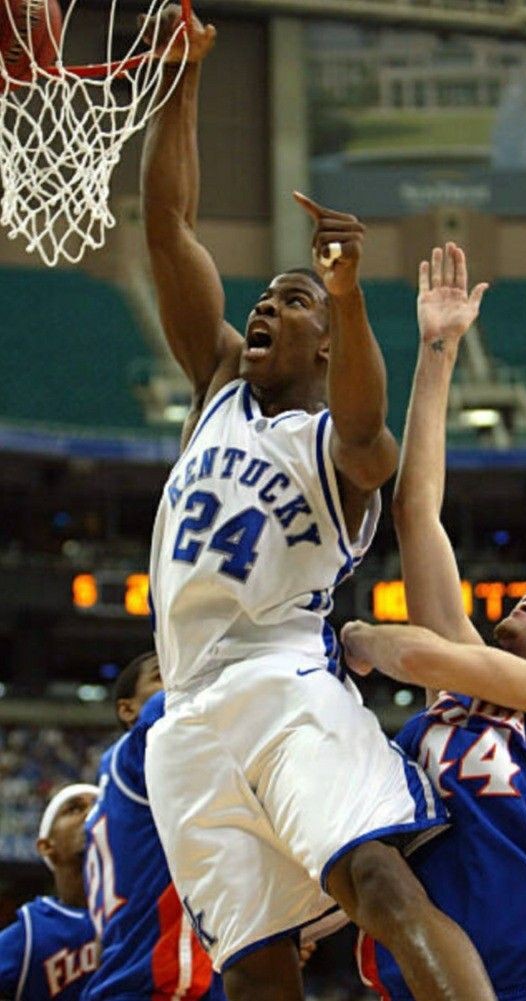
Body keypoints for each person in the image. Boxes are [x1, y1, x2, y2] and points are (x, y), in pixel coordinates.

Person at [140, 13, 496, 1001]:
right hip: (186, 713)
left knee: (378, 878)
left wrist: (345, 291)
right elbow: (167, 226)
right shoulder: (215, 380)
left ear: (329, 342)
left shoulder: (339, 448)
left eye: (289, 302)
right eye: (265, 296)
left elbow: (374, 424)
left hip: (281, 679)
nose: (264, 306)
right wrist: (182, 79)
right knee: (254, 966)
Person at [341, 243, 526, 1001]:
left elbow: (436, 661)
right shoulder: (464, 685)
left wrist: (368, 639)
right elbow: (416, 514)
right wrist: (439, 349)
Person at [82, 651, 225, 1000]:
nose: (177, 680)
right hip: (152, 984)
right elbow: (168, 707)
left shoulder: (121, 797)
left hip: (147, 977)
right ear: (127, 709)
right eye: (163, 675)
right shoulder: (131, 758)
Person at [0, 784, 99, 1001]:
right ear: (46, 846)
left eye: (100, 807)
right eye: (74, 809)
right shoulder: (31, 932)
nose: (92, 814)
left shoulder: (142, 915)